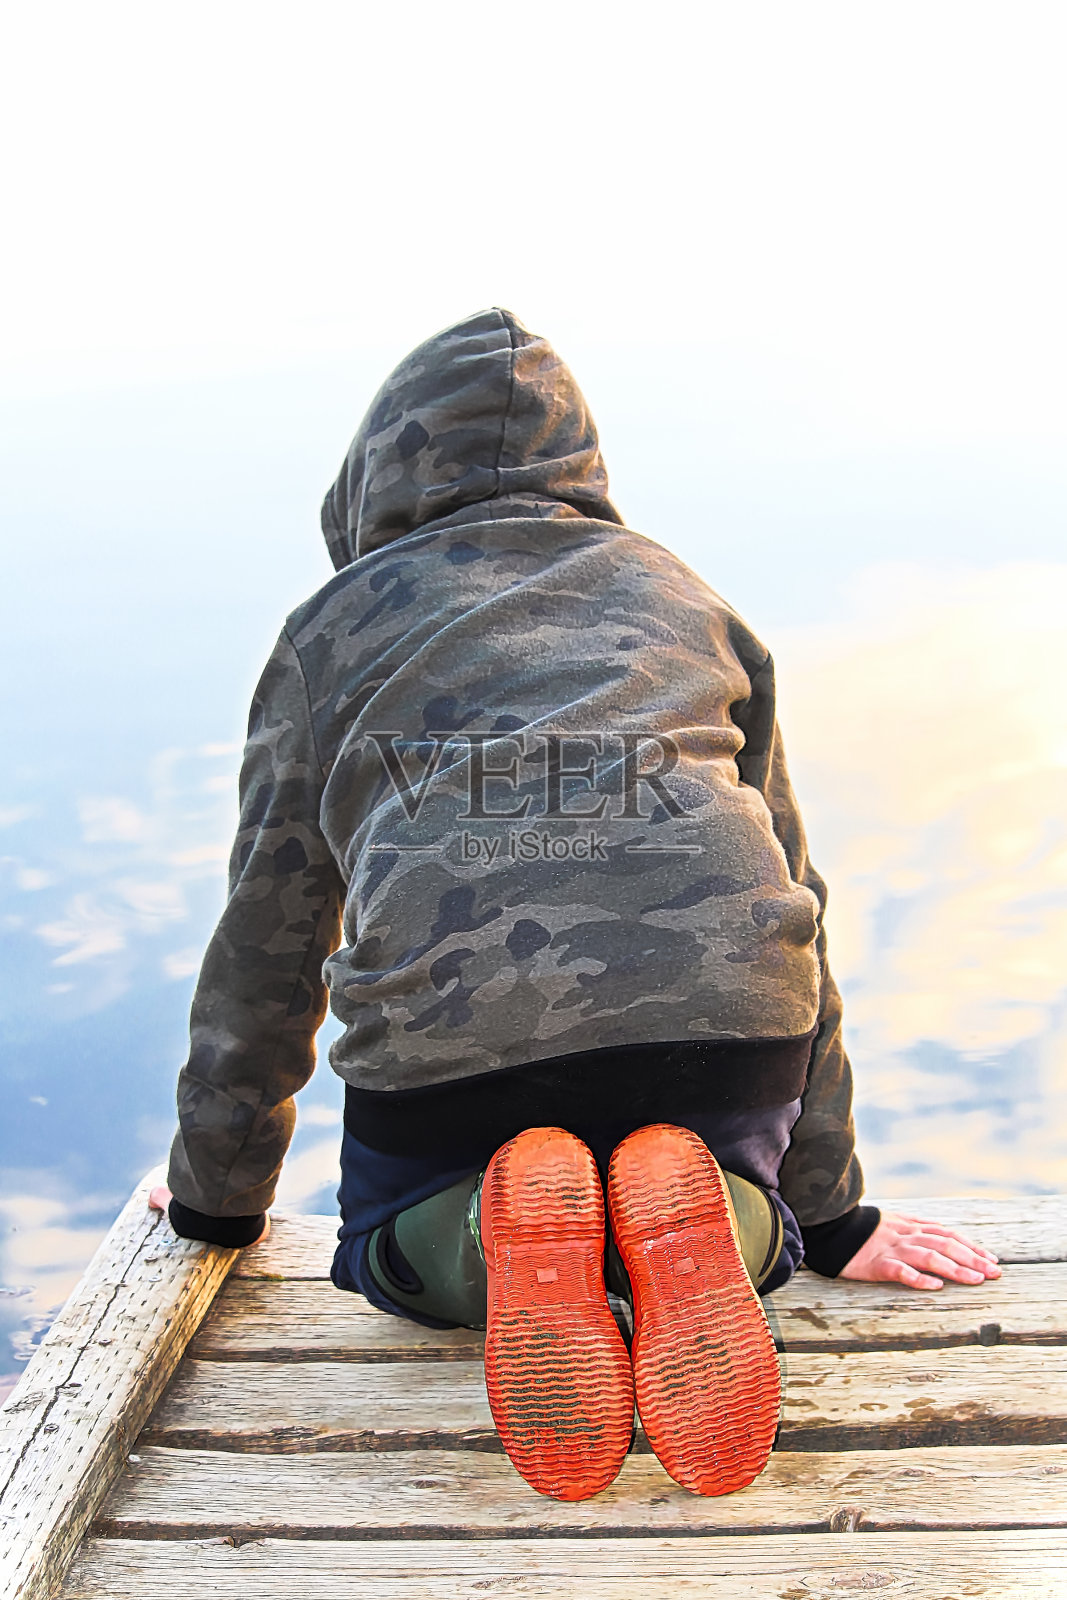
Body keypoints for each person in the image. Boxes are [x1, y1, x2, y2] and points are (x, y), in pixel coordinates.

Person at [150, 308, 1000, 1501]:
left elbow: (268, 942)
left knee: (385, 1255)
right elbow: (793, 891)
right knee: (750, 1208)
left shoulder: (326, 635)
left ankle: (482, 1240)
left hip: (456, 1056)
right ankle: (723, 1218)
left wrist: (216, 1200)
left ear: (371, 479)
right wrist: (832, 1213)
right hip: (722, 1031)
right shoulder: (680, 594)